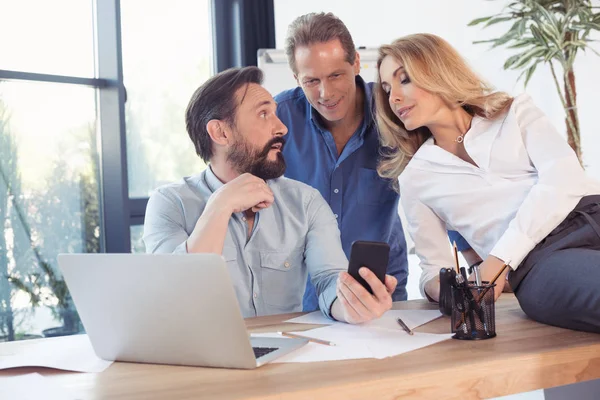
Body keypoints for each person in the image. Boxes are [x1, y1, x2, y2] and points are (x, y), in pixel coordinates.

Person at [375, 33, 600, 333]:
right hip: (540, 262)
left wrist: (495, 263)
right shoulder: (416, 177)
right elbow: (432, 268)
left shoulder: (515, 111)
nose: (393, 98)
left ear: (437, 70)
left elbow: (564, 178)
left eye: (404, 80)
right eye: (387, 89)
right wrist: (452, 290)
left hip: (590, 212)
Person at [143, 66, 397, 324]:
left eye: (275, 113)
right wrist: (219, 206)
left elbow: (329, 279)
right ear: (221, 132)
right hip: (205, 359)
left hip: (284, 355)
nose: (281, 128)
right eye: (264, 114)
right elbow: (176, 298)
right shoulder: (170, 204)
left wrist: (352, 305)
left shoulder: (305, 202)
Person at [274, 12, 473, 310]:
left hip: (379, 290)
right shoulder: (279, 118)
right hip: (300, 295)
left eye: (336, 76)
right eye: (311, 81)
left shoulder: (396, 112)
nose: (325, 93)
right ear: (296, 78)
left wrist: (477, 263)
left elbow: (441, 184)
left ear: (356, 62)